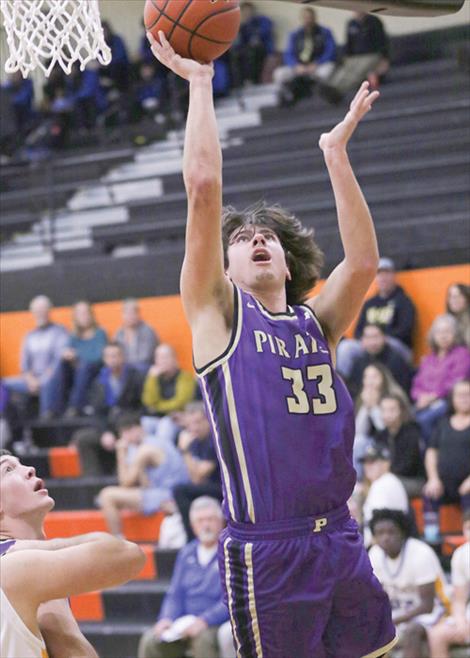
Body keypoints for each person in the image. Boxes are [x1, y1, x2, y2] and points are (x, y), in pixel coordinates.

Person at [148, 29, 396, 657]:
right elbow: (204, 186)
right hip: (270, 549)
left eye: (269, 237)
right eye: (242, 238)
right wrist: (200, 84)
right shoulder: (218, 316)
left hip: (340, 536)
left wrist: (336, 154)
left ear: (289, 265)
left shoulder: (318, 323)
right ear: (224, 269)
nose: (257, 239)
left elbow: (363, 261)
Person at [0, 449, 145, 658]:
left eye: (20, 463)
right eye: (8, 469)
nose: (30, 469)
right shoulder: (13, 567)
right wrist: (33, 547)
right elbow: (128, 555)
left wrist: (34, 546)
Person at [138, 497, 230, 658]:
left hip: (214, 622)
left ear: (221, 522)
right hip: (184, 622)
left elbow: (231, 599)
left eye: (210, 519)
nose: (206, 525)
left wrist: (204, 620)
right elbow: (175, 593)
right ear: (193, 525)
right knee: (151, 640)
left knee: (203, 640)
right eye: (200, 520)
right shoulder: (186, 553)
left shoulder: (229, 552)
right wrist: (167, 618)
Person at [368, 509, 450, 658]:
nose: (385, 538)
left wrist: (391, 621)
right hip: (398, 611)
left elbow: (427, 606)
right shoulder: (374, 554)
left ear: (403, 532)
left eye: (391, 532)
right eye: (380, 533)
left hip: (434, 611)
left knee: (412, 631)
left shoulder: (420, 553)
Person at [97, 413, 188, 537]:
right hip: (168, 491)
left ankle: (118, 542)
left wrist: (121, 453)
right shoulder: (153, 442)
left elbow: (125, 483)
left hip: (169, 494)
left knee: (106, 496)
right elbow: (144, 482)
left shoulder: (145, 450)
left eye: (127, 432)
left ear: (138, 429)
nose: (125, 438)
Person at [337, 257, 416, 378]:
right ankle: (342, 387)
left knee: (391, 345)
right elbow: (358, 331)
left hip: (396, 345)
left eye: (386, 273)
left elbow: (406, 330)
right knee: (346, 347)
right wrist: (367, 340)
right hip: (369, 343)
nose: (383, 278)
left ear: (394, 276)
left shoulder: (404, 301)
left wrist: (381, 338)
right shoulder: (369, 303)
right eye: (379, 274)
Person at [72, 342, 143, 475]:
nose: (113, 359)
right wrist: (105, 432)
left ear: (123, 357)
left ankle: (123, 478)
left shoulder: (135, 377)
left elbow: (140, 407)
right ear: (104, 359)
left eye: (116, 355)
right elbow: (97, 412)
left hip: (128, 427)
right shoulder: (99, 381)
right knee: (82, 438)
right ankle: (93, 483)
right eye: (109, 356)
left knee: (128, 442)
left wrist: (127, 428)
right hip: (108, 427)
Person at [3, 295, 69, 420]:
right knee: (4, 384)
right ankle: (10, 422)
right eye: (37, 311)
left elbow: (57, 362)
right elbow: (24, 366)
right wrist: (30, 380)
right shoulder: (29, 336)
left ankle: (46, 418)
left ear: (49, 311)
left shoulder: (60, 331)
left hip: (52, 378)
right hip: (31, 380)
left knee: (48, 381)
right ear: (32, 313)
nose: (40, 313)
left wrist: (41, 380)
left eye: (43, 310)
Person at [411, 315, 470, 444]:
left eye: (447, 332)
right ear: (433, 335)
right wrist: (420, 397)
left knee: (423, 420)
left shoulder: (462, 354)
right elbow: (417, 383)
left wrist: (433, 396)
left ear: (455, 334)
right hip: (425, 402)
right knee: (405, 419)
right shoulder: (428, 358)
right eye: (439, 332)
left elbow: (456, 381)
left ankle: (429, 453)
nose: (443, 336)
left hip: (447, 400)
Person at [172, 403, 222, 542]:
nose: (194, 427)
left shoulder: (215, 439)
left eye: (198, 422)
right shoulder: (196, 442)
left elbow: (199, 477)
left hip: (226, 489)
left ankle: (192, 539)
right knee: (180, 489)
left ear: (208, 420)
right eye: (190, 424)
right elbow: (195, 478)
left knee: (180, 491)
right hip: (209, 485)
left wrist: (185, 451)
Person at [423, 379, 470, 523]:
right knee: (429, 493)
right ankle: (434, 540)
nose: (464, 399)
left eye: (467, 395)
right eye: (459, 395)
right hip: (442, 484)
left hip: (468, 485)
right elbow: (431, 452)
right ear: (452, 398)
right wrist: (433, 478)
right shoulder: (443, 423)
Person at [319, 12, 390, 104]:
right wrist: (345, 57)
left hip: (371, 55)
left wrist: (385, 59)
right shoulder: (351, 23)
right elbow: (349, 43)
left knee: (357, 72)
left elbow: (382, 41)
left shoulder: (374, 21)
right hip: (354, 56)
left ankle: (339, 91)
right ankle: (332, 87)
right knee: (344, 70)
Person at [427, 509, 470, 658]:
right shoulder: (461, 555)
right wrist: (460, 620)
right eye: (468, 528)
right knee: (436, 635)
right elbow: (459, 599)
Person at [353, 363, 408, 478]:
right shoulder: (363, 396)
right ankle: (357, 482)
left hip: (395, 440)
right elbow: (359, 432)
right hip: (372, 442)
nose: (370, 381)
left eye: (374, 377)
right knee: (359, 442)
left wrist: (373, 408)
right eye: (366, 377)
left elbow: (387, 429)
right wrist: (366, 406)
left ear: (383, 377)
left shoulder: (393, 395)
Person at [273, 7, 336, 106]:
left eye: (310, 17)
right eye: (306, 17)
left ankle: (322, 94)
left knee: (327, 70)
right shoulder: (294, 35)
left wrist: (317, 63)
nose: (308, 19)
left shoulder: (325, 32)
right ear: (301, 18)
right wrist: (295, 66)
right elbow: (288, 54)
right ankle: (286, 97)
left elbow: (330, 51)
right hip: (299, 67)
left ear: (315, 17)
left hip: (317, 65)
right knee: (279, 73)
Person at [58, 300, 108, 417]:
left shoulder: (100, 333)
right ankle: (56, 407)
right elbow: (68, 351)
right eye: (80, 313)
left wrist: (77, 355)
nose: (84, 316)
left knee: (85, 366)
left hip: (95, 368)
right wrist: (67, 355)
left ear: (91, 314)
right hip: (76, 369)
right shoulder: (73, 336)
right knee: (61, 364)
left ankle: (75, 406)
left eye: (86, 313)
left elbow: (98, 356)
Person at [376, 394, 425, 498]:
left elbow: (408, 466)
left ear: (401, 411)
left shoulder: (412, 432)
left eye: (392, 410)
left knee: (384, 486)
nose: (387, 414)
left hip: (413, 480)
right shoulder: (381, 435)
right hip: (387, 478)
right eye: (383, 410)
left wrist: (385, 474)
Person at [359, 445, 409, 547]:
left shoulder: (383, 483)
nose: (368, 466)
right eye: (365, 462)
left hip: (384, 546)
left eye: (372, 462)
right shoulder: (387, 481)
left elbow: (381, 524)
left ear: (386, 463)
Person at [348, 323, 414, 397]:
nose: (372, 342)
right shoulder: (358, 363)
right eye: (368, 337)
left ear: (384, 338)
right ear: (362, 340)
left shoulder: (396, 361)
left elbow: (403, 391)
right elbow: (353, 390)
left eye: (376, 337)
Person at [230, 2, 274, 86]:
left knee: (252, 51)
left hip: (263, 49)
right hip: (246, 50)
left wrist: (253, 30)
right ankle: (239, 83)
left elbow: (265, 30)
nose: (247, 13)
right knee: (236, 54)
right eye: (244, 12)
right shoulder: (242, 25)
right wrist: (241, 25)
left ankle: (252, 80)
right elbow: (239, 42)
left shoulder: (262, 20)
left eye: (249, 11)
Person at [114, 298, 159, 373]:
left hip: (144, 366)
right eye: (127, 313)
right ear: (122, 315)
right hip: (125, 368)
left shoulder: (147, 331)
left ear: (138, 314)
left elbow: (146, 356)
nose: (130, 316)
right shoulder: (119, 333)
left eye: (133, 313)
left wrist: (127, 366)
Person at [446, 283, 470, 348]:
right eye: (451, 296)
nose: (454, 300)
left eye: (459, 295)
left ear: (467, 299)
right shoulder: (446, 320)